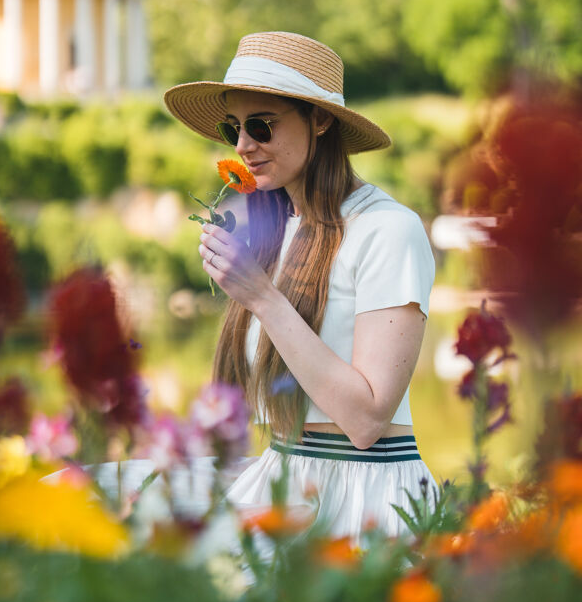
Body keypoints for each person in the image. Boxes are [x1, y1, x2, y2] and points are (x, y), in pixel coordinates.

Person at [162, 30, 438, 540]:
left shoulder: (388, 230)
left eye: (261, 126)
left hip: (364, 499)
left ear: (321, 119)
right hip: (283, 480)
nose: (244, 146)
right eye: (233, 128)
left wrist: (263, 298)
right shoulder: (280, 231)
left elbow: (366, 421)